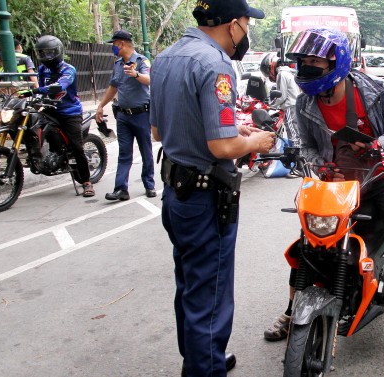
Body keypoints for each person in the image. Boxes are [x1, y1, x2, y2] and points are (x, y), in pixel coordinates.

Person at [262, 27, 384, 371]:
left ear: (337, 63)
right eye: (302, 61)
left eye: (314, 61)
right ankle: (293, 312)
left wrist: (379, 145)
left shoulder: (374, 89)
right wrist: (321, 167)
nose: (305, 67)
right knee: (311, 245)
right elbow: (307, 144)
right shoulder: (306, 101)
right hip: (338, 185)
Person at [149, 1, 273, 376]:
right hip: (204, 196)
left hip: (176, 193)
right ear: (233, 25)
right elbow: (221, 149)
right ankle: (205, 368)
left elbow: (160, 130)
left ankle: (201, 358)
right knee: (211, 296)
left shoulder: (165, 59)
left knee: (190, 286)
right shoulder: (215, 64)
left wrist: (236, 129)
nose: (246, 32)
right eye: (247, 24)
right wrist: (256, 142)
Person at [26, 35, 96, 197]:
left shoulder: (68, 69)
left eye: (49, 52)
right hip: (50, 110)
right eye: (42, 53)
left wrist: (36, 91)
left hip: (70, 113)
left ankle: (86, 182)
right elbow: (41, 86)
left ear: (58, 52)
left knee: (77, 147)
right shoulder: (43, 69)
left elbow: (59, 86)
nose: (46, 56)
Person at [95, 29, 156, 201]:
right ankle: (121, 188)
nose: (113, 47)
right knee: (124, 153)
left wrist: (136, 74)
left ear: (121, 43)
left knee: (146, 151)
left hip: (141, 114)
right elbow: (113, 87)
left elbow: (150, 79)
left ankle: (149, 184)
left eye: (114, 44)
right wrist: (101, 105)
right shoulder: (117, 64)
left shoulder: (141, 61)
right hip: (123, 116)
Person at [259, 52, 301, 147]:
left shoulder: (281, 74)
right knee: (294, 130)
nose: (269, 75)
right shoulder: (287, 72)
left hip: (290, 106)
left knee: (293, 132)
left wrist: (270, 106)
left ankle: (296, 154)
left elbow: (281, 96)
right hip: (293, 105)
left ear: (271, 66)